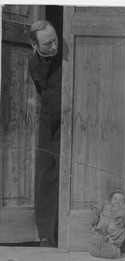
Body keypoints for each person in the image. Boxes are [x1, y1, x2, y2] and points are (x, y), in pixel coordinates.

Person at [28, 20, 64, 247]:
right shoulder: (33, 64)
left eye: (55, 40)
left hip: (71, 121)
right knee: (46, 174)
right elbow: (42, 91)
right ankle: (46, 235)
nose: (53, 46)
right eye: (47, 44)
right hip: (48, 124)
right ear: (34, 44)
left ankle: (66, 233)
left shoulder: (69, 55)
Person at [89, 188, 125, 259]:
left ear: (124, 201)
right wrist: (95, 211)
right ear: (111, 199)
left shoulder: (124, 207)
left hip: (113, 235)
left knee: (121, 231)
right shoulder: (106, 204)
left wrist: (121, 219)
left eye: (121, 200)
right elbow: (98, 206)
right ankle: (99, 248)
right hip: (101, 230)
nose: (117, 201)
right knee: (94, 248)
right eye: (115, 198)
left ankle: (113, 250)